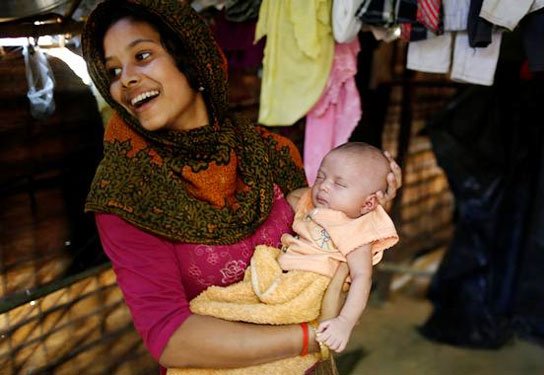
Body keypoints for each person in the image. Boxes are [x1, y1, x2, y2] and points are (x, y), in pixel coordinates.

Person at [80, 0, 401, 372]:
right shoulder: (126, 194)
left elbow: (324, 241)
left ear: (192, 59)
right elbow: (170, 337)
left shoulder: (270, 152)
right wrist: (316, 335)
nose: (126, 79)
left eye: (143, 55)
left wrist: (369, 204)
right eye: (113, 71)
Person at [183, 142, 398, 373]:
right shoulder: (317, 205)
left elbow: (362, 277)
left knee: (261, 324)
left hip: (309, 289)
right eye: (321, 177)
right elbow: (297, 198)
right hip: (285, 276)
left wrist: (344, 322)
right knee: (231, 309)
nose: (323, 187)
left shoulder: (357, 229)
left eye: (339, 184)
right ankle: (211, 317)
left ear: (368, 203)